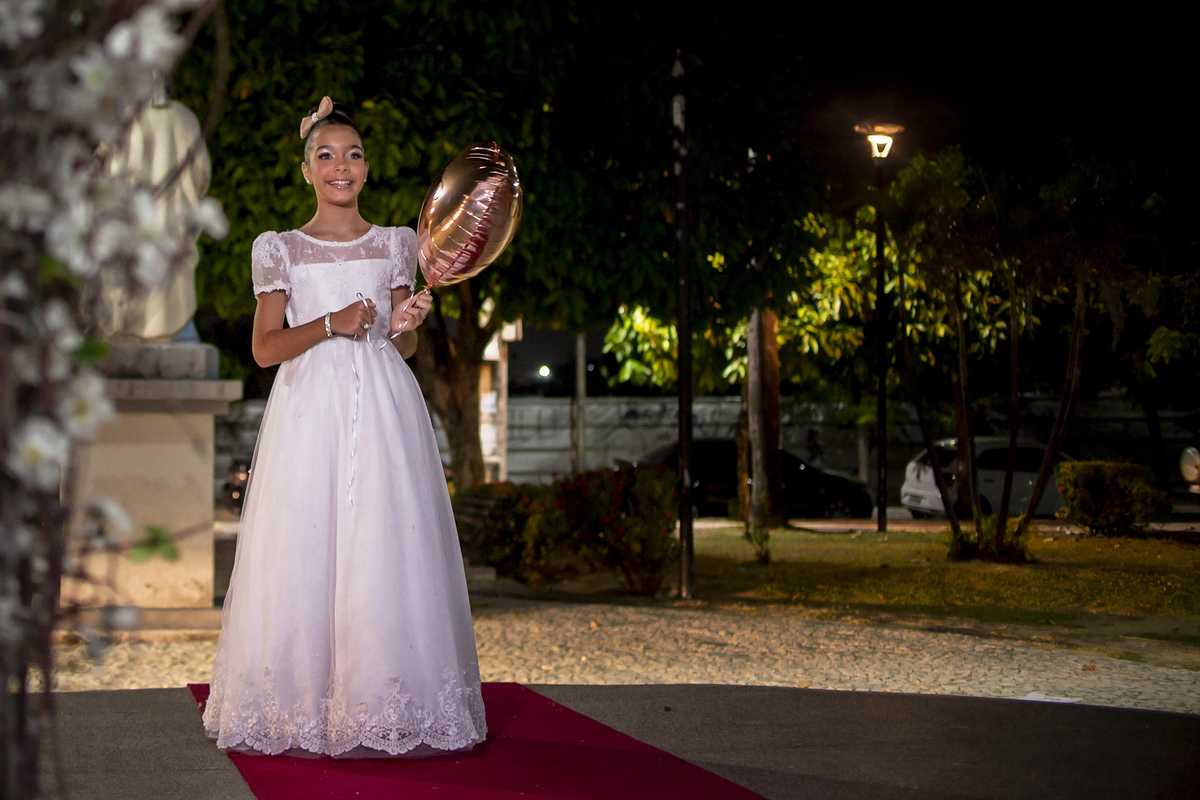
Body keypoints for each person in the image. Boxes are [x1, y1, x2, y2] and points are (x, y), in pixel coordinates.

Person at [202, 97, 487, 758]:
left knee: (381, 545)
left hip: (383, 411)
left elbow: (400, 345)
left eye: (352, 154)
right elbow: (266, 349)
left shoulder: (396, 244)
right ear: (305, 169)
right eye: (325, 155)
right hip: (306, 413)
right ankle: (300, 702)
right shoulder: (278, 249)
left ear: (366, 166)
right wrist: (332, 323)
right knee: (303, 544)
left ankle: (381, 699)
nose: (341, 166)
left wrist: (404, 325)